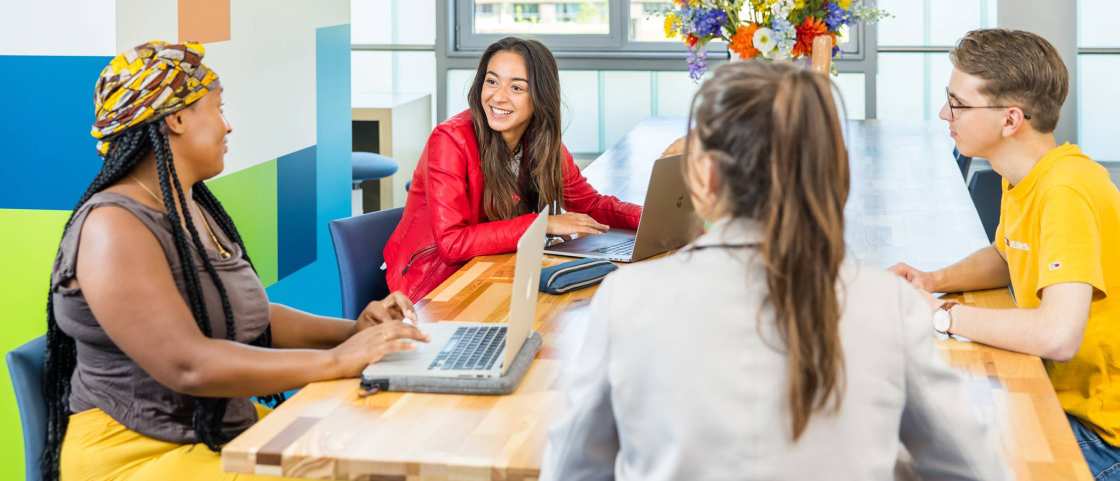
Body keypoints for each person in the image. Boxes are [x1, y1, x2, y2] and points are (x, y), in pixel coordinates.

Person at [540, 60, 1010, 481]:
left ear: (702, 177)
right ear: (834, 173)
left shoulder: (626, 301)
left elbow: (574, 470)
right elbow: (974, 469)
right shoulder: (889, 305)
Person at [44, 41, 429, 481]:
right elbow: (189, 364)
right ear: (177, 117)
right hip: (141, 455)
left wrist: (356, 332)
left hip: (215, 434)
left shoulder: (190, 204)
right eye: (218, 108)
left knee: (380, 454)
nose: (227, 126)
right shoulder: (113, 227)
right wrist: (336, 361)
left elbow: (253, 317)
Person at [888, 28, 1120, 479]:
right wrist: (933, 280)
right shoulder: (1027, 175)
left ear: (1010, 120)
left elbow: (1057, 335)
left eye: (957, 103)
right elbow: (1006, 254)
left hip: (1101, 439)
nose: (944, 113)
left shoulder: (1065, 191)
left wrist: (940, 315)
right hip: (1069, 407)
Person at [383, 37, 642, 301]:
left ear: (540, 96)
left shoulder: (541, 140)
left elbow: (589, 203)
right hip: (434, 286)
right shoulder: (450, 140)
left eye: (516, 88)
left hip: (493, 270)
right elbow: (452, 244)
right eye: (491, 81)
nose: (498, 96)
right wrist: (544, 225)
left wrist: (649, 219)